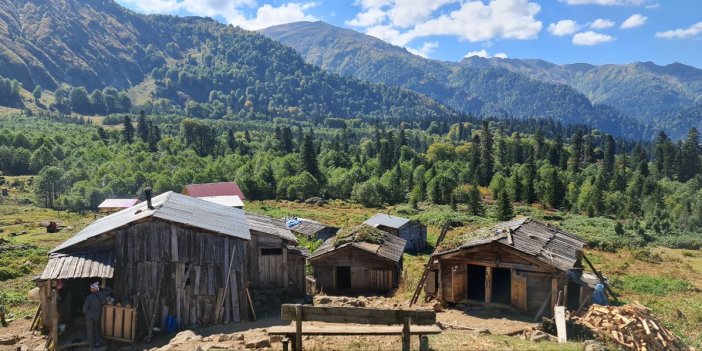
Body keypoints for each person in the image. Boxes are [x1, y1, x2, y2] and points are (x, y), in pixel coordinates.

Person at [83, 282, 111, 348]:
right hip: (97, 316)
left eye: (91, 288)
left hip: (89, 317)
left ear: (94, 289)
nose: (90, 289)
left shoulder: (89, 297)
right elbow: (110, 290)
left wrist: (85, 312)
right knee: (97, 329)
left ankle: (91, 345)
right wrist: (102, 287)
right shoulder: (102, 294)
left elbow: (84, 309)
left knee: (90, 330)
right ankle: (98, 343)